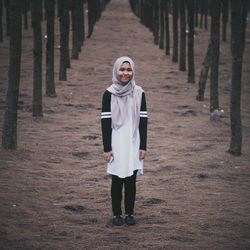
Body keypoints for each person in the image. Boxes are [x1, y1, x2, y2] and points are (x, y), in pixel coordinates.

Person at [101, 56, 148, 226]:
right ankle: (116, 215)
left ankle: (129, 213)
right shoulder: (109, 94)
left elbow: (143, 121)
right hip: (116, 142)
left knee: (131, 180)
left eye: (128, 70)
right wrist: (107, 148)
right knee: (117, 179)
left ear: (133, 71)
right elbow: (105, 123)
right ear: (116, 71)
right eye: (122, 69)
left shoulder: (139, 92)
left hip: (133, 141)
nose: (125, 73)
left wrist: (143, 146)